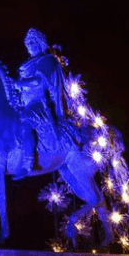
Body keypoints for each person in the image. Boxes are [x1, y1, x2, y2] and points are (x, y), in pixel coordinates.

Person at [15, 28, 78, 175]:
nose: (29, 45)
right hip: (24, 104)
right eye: (27, 43)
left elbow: (39, 82)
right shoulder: (26, 66)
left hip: (40, 105)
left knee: (25, 123)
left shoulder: (47, 60)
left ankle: (28, 163)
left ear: (40, 43)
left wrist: (19, 85)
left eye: (32, 42)